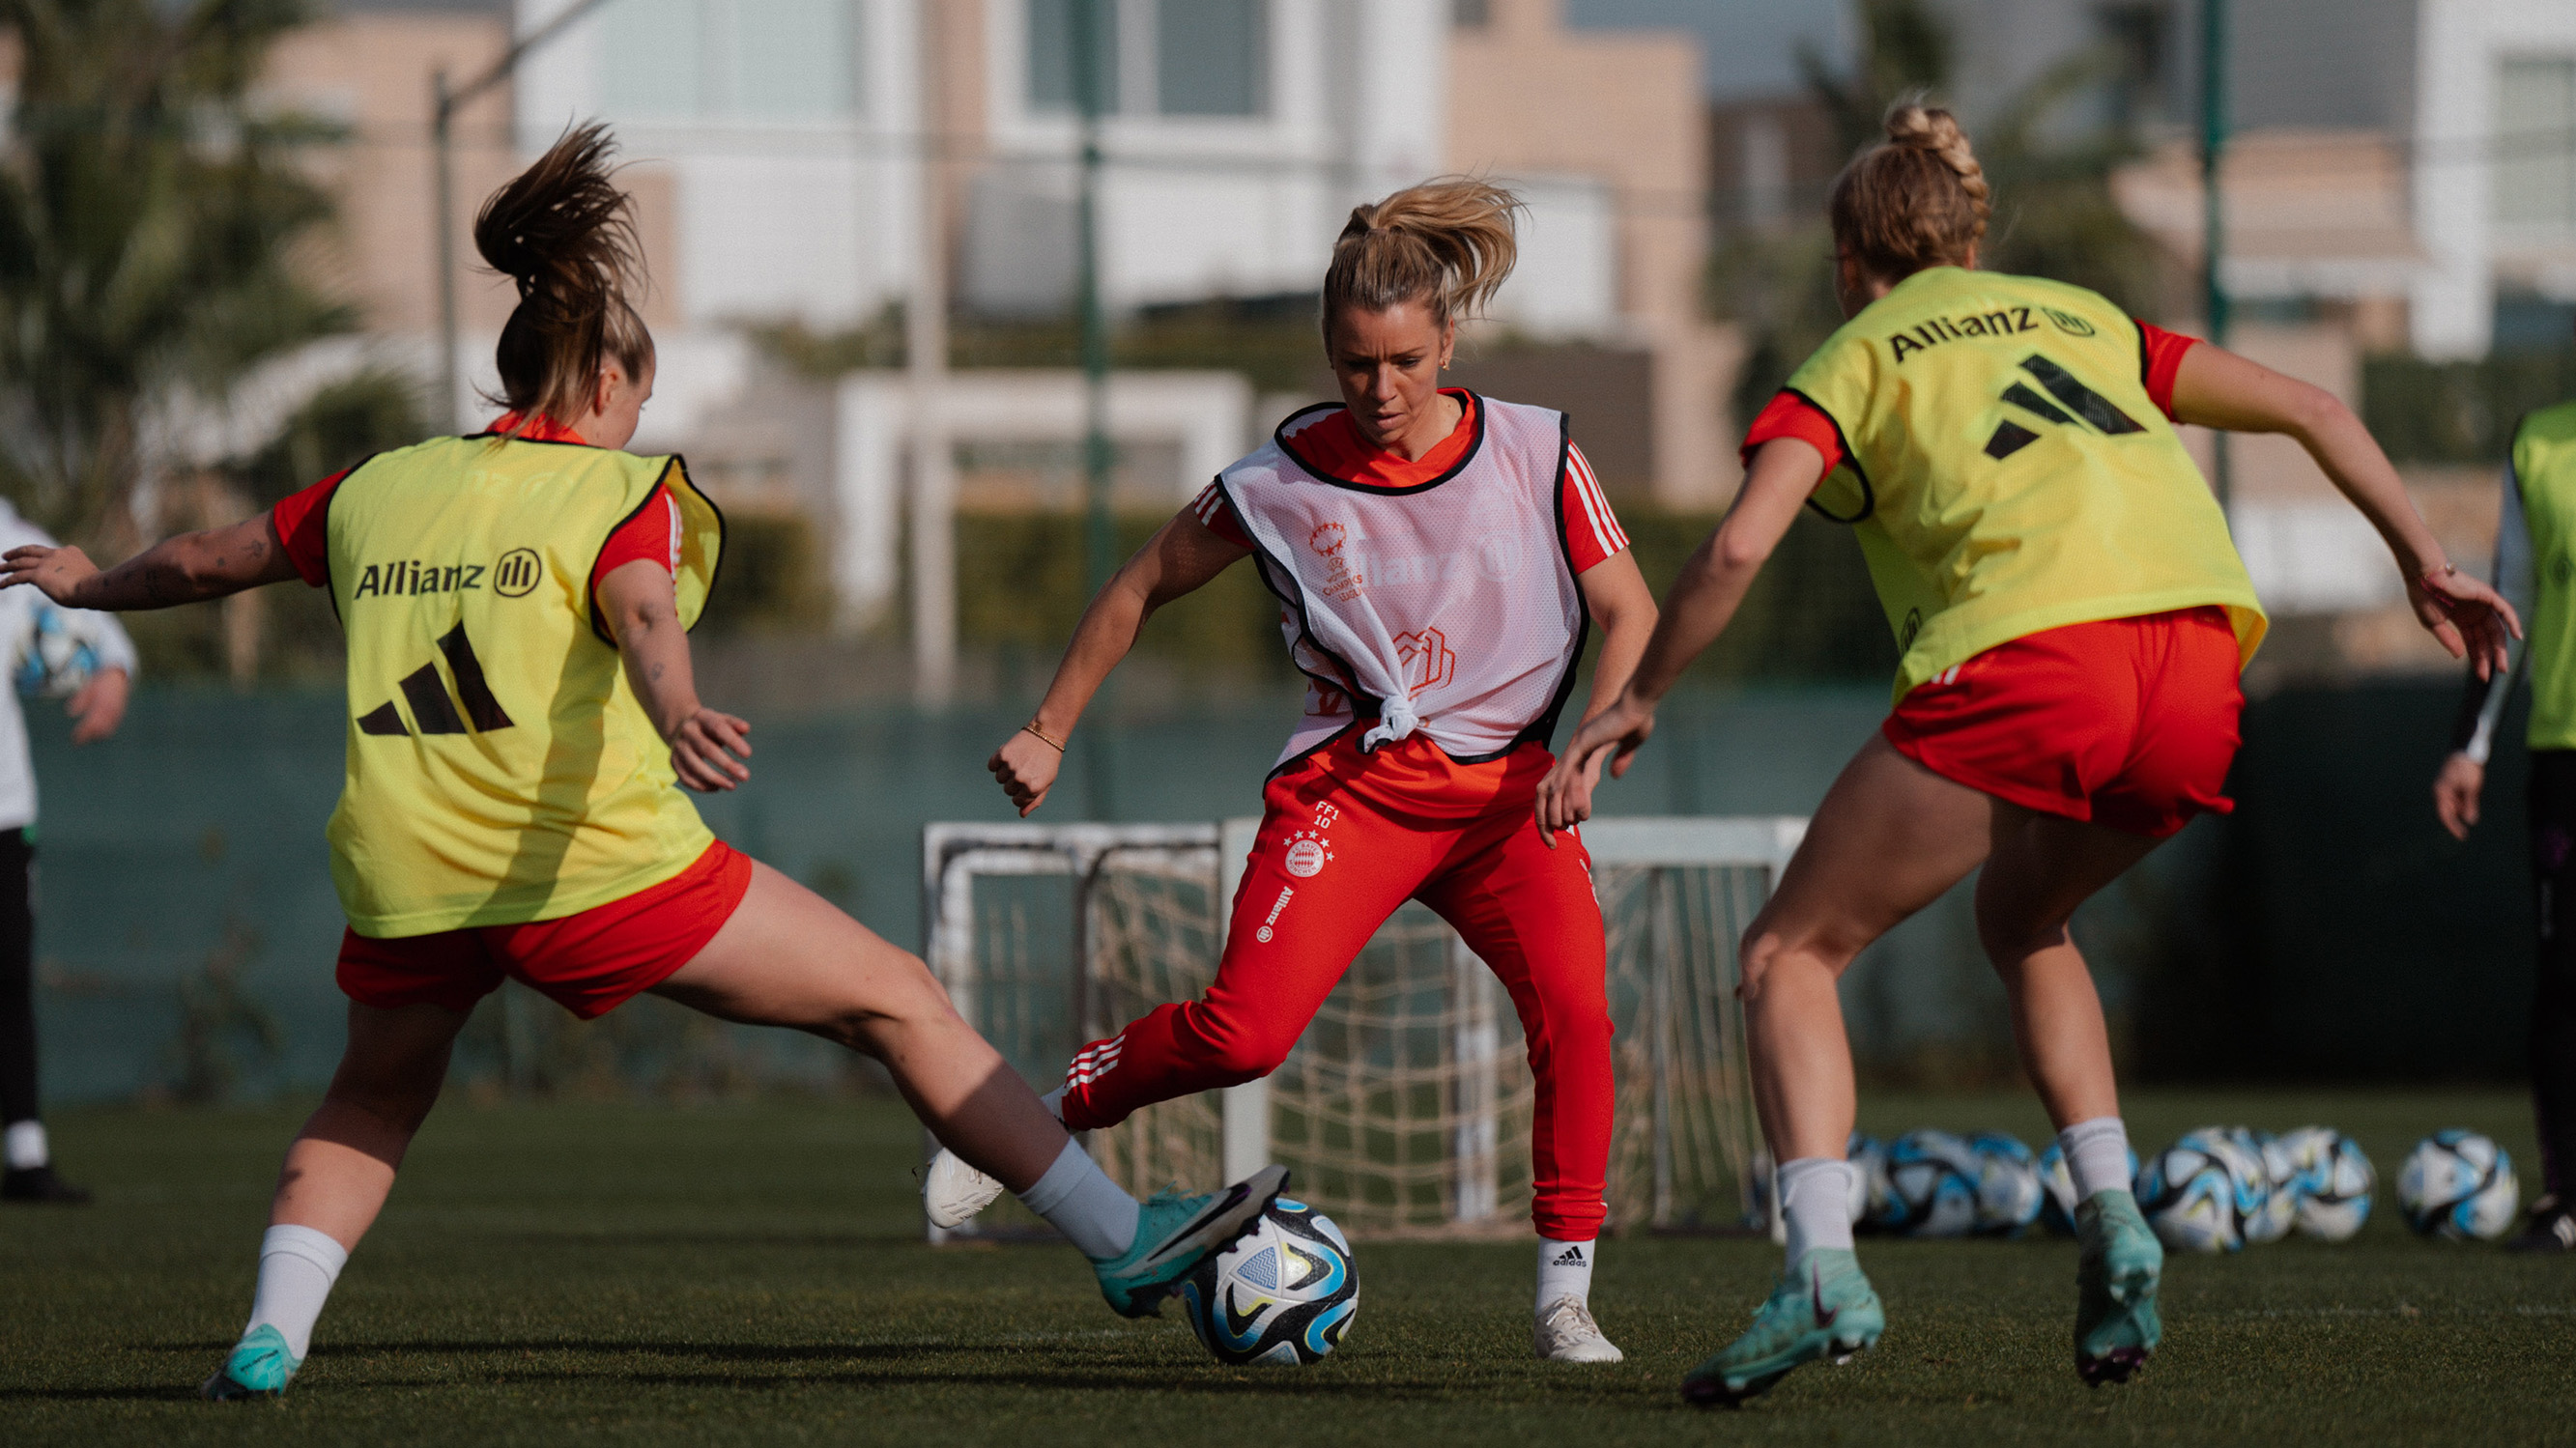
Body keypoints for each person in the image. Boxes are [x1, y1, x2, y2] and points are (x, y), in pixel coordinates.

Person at [0, 125, 1283, 1402]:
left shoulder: (375, 486)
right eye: (643, 390)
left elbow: (202, 559)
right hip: (588, 868)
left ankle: (269, 1337)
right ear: (607, 382)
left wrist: (85, 580)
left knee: (372, 1099)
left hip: (409, 873)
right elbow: (644, 612)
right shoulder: (620, 492)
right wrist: (674, 709)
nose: (644, 412)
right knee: (894, 995)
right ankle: (1123, 1245)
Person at [1539, 102, 2518, 1405]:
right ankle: (2114, 1215)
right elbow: (2310, 402)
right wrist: (2425, 564)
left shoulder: (1849, 356)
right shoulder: (2085, 315)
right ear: (1962, 231)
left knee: (1788, 951)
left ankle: (1818, 1266)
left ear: (1850, 259)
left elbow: (1729, 550)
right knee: (2024, 916)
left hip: (2031, 660)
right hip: (2195, 667)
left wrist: (1639, 696)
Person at [924, 179, 1659, 1363]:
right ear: (1328, 347)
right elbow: (1140, 583)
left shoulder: (1535, 448)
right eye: (1355, 362)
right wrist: (1050, 726)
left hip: (1508, 798)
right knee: (1241, 1037)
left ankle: (1563, 1296)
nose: (1380, 389)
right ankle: (1030, 1114)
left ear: (1448, 341)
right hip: (1354, 793)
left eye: (1406, 360)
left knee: (1576, 1015)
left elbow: (1628, 609)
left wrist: (1601, 731)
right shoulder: (1275, 482)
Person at [2431, 370, 2576, 1254]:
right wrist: (2470, 745)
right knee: (2566, 981)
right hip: (2566, 755)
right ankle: (2566, 1199)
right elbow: (2509, 602)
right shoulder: (2541, 443)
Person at [0, 505, 135, 1206]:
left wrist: (112, 668)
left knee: (8, 971)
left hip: (3, 804)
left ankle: (25, 1153)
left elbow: (80, 594)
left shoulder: (1, 528)